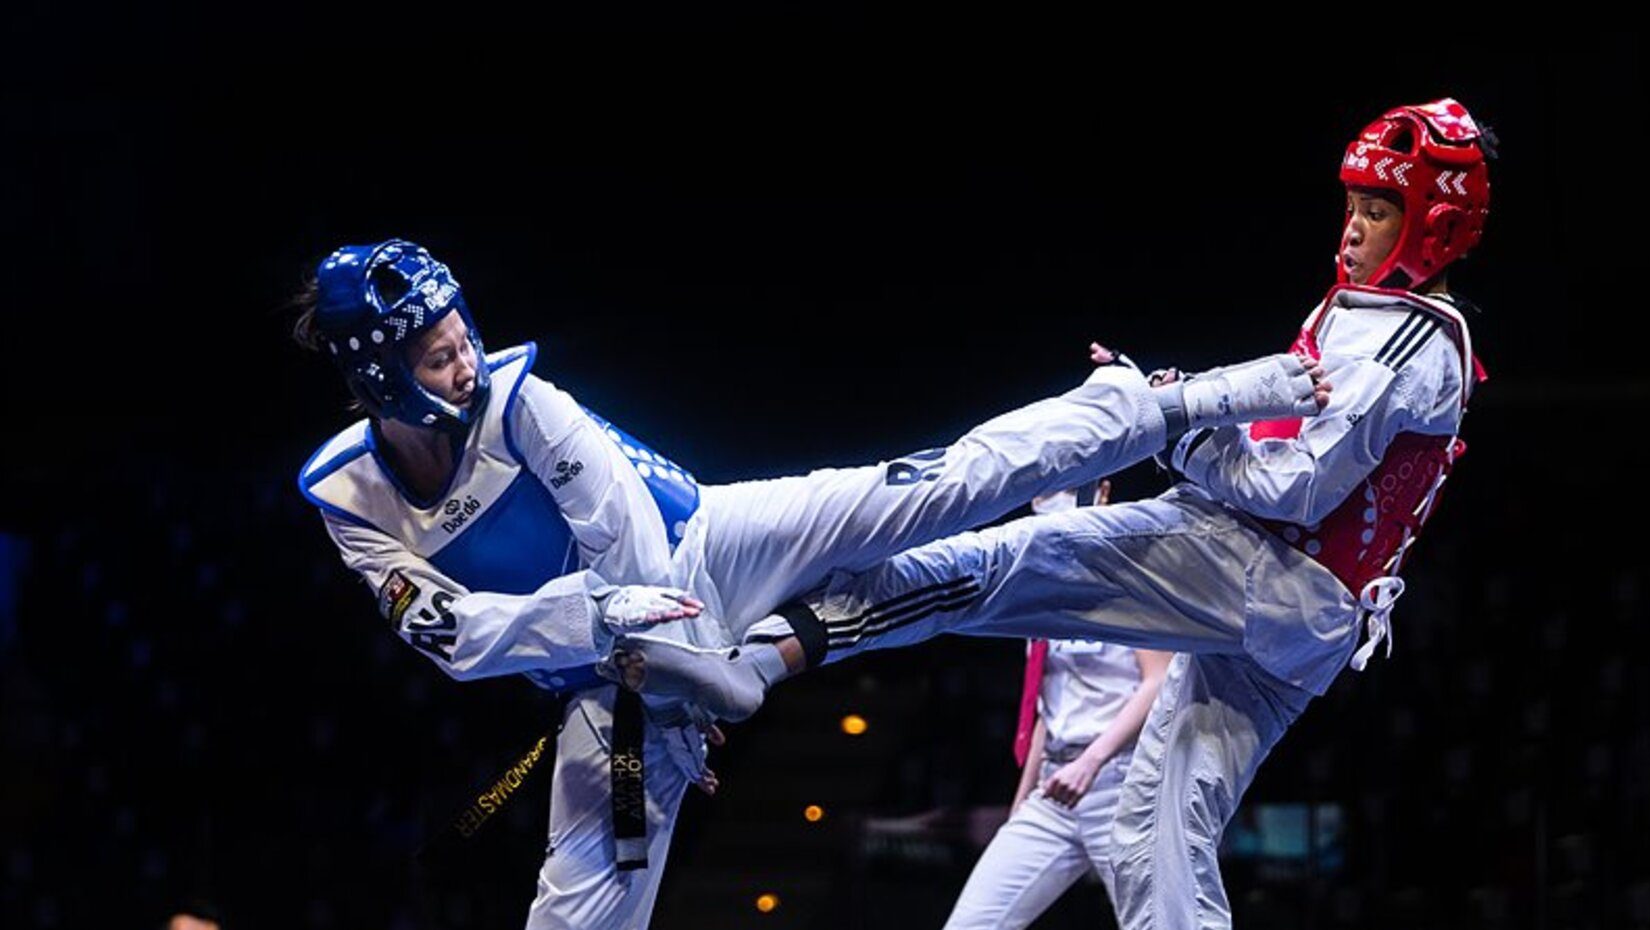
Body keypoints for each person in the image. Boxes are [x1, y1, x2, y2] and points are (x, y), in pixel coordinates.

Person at [290, 240, 1327, 928]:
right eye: (436, 357)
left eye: (462, 335)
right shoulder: (349, 497)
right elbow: (455, 636)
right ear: (381, 377)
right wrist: (635, 667)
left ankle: (1170, 402)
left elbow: (639, 556)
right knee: (581, 897)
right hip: (605, 673)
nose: (465, 363)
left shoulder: (526, 403)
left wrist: (671, 671)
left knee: (933, 488)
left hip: (712, 551)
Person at [765, 97, 1496, 929]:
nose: (1354, 228)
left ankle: (776, 646)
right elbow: (1263, 423)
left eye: (1378, 211)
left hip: (1272, 573)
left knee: (1014, 566)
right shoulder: (1353, 313)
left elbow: (1296, 487)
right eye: (1353, 205)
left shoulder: (1414, 341)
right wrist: (1173, 399)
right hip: (1291, 612)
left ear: (1433, 226)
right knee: (1153, 834)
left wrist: (1169, 427)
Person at [942, 483, 1172, 930]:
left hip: (1123, 784)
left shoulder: (1132, 579)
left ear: (1102, 491)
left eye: (1066, 487)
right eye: (1043, 490)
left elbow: (1158, 682)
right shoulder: (1040, 593)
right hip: (1054, 786)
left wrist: (1091, 763)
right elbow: (1048, 709)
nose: (1051, 499)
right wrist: (1020, 803)